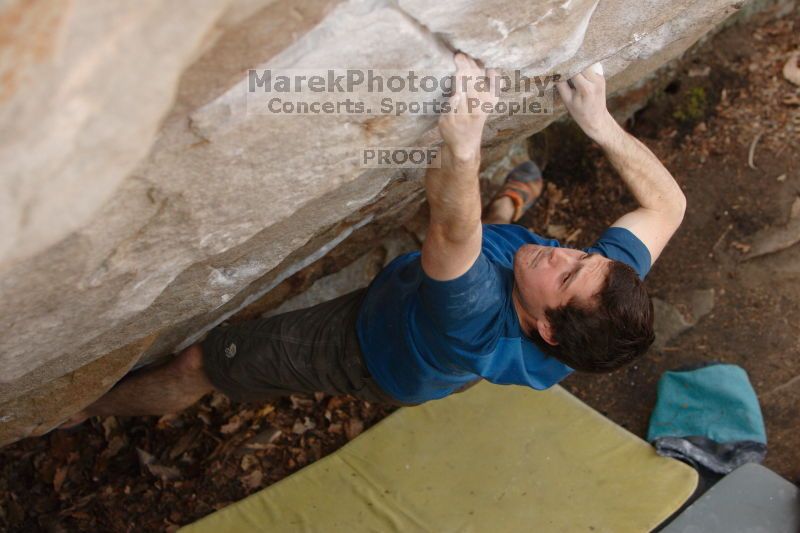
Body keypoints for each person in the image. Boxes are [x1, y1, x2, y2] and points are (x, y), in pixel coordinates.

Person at [64, 52, 685, 423]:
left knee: (202, 362)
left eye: (569, 272)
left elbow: (450, 229)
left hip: (372, 347)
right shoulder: (600, 296)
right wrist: (599, 125)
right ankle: (507, 203)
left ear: (547, 328)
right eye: (585, 255)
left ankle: (81, 412)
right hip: (458, 290)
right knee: (504, 243)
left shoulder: (473, 320)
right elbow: (669, 205)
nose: (569, 252)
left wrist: (464, 142)